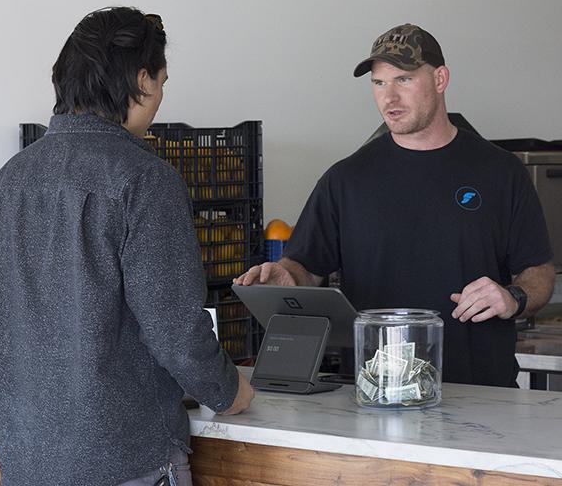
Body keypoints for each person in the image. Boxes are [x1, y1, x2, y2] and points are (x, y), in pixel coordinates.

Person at [0, 7, 254, 486]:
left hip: (25, 463)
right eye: (163, 81)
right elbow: (177, 332)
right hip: (128, 462)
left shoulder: (4, 184)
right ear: (142, 80)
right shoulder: (144, 181)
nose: (162, 95)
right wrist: (230, 390)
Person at [236, 23, 554, 387]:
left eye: (403, 80)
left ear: (440, 78)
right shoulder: (346, 179)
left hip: (482, 392)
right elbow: (306, 266)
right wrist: (287, 277)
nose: (389, 98)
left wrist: (513, 297)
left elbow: (538, 272)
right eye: (379, 83)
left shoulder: (501, 172)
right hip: (377, 394)